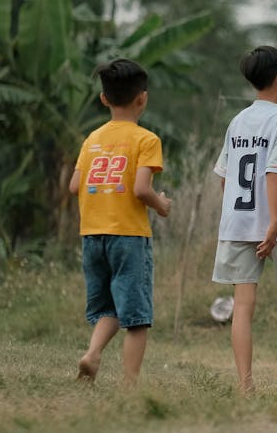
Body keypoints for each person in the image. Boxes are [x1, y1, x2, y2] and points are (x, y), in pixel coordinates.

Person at [212, 46, 277, 395]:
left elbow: (225, 177)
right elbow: (274, 172)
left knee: (242, 304)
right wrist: (270, 223)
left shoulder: (238, 120)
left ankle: (245, 384)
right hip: (276, 221)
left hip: (237, 222)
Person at [70, 58, 172, 387]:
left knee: (107, 307)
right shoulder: (146, 140)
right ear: (142, 98)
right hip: (128, 236)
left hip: (92, 235)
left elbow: (74, 186)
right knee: (137, 318)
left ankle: (93, 352)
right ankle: (129, 386)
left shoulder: (92, 139)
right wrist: (161, 205)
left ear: (103, 99)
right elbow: (141, 189)